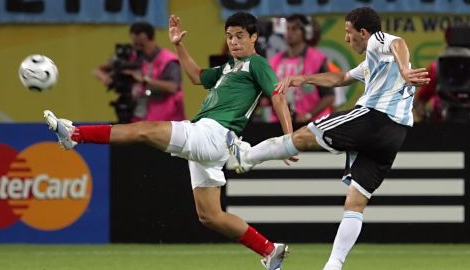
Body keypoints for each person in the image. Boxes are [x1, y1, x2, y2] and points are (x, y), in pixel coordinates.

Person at [44, 12, 293, 270]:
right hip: (208, 140)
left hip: (212, 133)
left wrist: (289, 139)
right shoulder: (228, 67)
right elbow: (197, 76)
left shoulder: (257, 64)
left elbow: (277, 96)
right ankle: (269, 249)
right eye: (229, 36)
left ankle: (74, 135)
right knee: (210, 216)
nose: (234, 42)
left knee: (144, 130)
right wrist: (178, 44)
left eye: (240, 36)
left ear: (254, 37)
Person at [227, 7, 430, 270]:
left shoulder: (378, 43)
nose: (346, 39)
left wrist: (404, 69)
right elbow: (342, 77)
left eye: (348, 32)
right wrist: (305, 79)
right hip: (394, 135)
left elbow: (398, 43)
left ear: (364, 33)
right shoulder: (374, 62)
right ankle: (333, 266)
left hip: (373, 118)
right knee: (355, 203)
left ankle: (247, 157)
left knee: (302, 136)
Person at [93, 21, 185, 123]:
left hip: (165, 121)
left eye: (141, 45)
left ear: (152, 40)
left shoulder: (168, 60)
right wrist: (106, 79)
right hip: (138, 117)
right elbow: (97, 70)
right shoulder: (132, 55)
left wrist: (144, 80)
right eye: (135, 44)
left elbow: (173, 87)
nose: (137, 48)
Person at [255, 14, 336, 123]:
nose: (289, 33)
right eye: (287, 29)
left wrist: (308, 115)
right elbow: (267, 97)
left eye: (294, 29)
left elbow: (329, 96)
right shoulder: (274, 61)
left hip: (314, 124)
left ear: (306, 33)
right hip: (280, 124)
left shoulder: (317, 59)